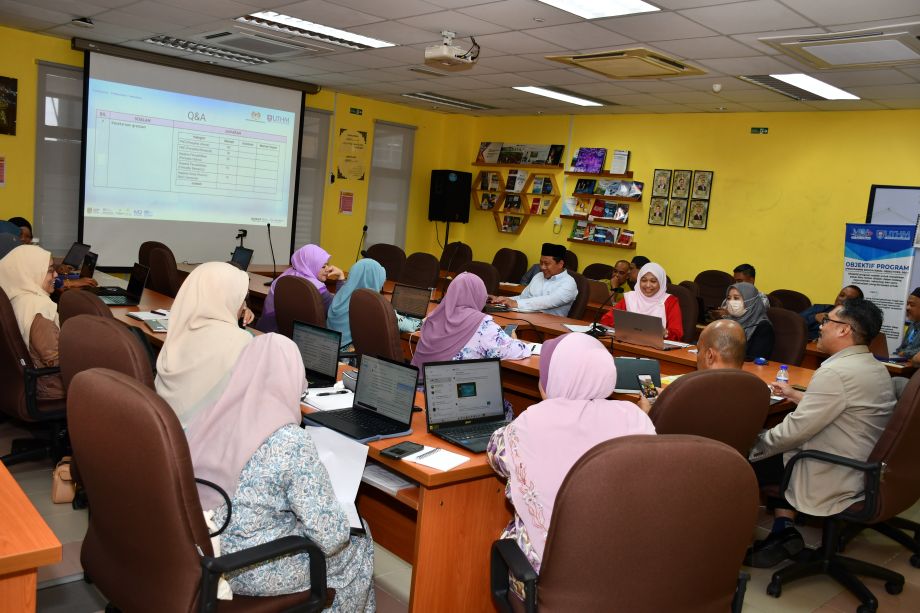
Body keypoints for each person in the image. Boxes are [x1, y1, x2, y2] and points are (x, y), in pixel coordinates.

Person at [185, 333, 374, 610]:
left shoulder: (208, 418)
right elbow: (331, 538)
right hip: (253, 569)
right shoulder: (289, 440)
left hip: (205, 553)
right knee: (358, 542)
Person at [486, 333, 655, 597]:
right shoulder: (635, 417)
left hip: (548, 581)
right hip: (628, 572)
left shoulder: (531, 422)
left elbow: (497, 456)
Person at [745, 298, 896, 568]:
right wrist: (796, 395)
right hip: (864, 464)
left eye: (827, 321)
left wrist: (753, 444)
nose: (822, 327)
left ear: (844, 329)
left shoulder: (836, 373)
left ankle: (730, 539)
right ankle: (783, 531)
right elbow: (844, 408)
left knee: (744, 460)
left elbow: (794, 432)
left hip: (834, 469)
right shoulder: (872, 366)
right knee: (777, 448)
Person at [155, 262, 254, 426]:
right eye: (242, 298)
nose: (243, 305)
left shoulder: (179, 327)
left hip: (162, 426)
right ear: (227, 297)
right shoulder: (240, 341)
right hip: (203, 435)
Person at [411, 272, 531, 371]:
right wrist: (515, 340)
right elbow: (518, 351)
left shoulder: (433, 317)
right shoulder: (482, 324)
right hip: (452, 390)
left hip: (418, 386)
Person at [0, 244, 63, 398]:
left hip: (22, 386)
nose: (56, 275)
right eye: (50, 270)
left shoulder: (15, 298)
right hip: (52, 388)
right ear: (31, 272)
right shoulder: (38, 307)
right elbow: (56, 359)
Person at [258, 244, 344, 333]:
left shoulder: (286, 275)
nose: (328, 269)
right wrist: (341, 277)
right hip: (300, 336)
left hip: (269, 330)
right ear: (311, 265)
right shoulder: (316, 288)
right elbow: (337, 310)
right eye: (323, 266)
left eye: (327, 265)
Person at [599, 262, 683, 341]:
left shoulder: (670, 301)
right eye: (644, 280)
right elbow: (606, 320)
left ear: (661, 282)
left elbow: (677, 334)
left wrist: (665, 333)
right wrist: (624, 325)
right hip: (628, 343)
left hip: (656, 348)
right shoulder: (630, 298)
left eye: (653, 281)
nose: (648, 285)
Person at [490, 243, 577, 316]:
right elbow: (523, 298)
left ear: (560, 264)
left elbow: (547, 302)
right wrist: (503, 300)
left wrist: (515, 303)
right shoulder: (538, 276)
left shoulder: (569, 283)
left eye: (546, 264)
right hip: (526, 318)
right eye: (541, 263)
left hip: (550, 326)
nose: (542, 267)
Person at [326, 258, 386, 350]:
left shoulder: (339, 297)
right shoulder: (372, 306)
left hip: (327, 350)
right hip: (350, 356)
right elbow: (400, 323)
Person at [721, 282, 774, 361]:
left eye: (736, 298)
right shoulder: (727, 321)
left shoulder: (763, 327)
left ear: (750, 301)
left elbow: (754, 359)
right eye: (729, 298)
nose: (731, 302)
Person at [800, 285, 864, 341]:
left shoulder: (854, 322)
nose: (843, 300)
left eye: (849, 299)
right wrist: (814, 317)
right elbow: (796, 323)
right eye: (842, 295)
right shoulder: (819, 308)